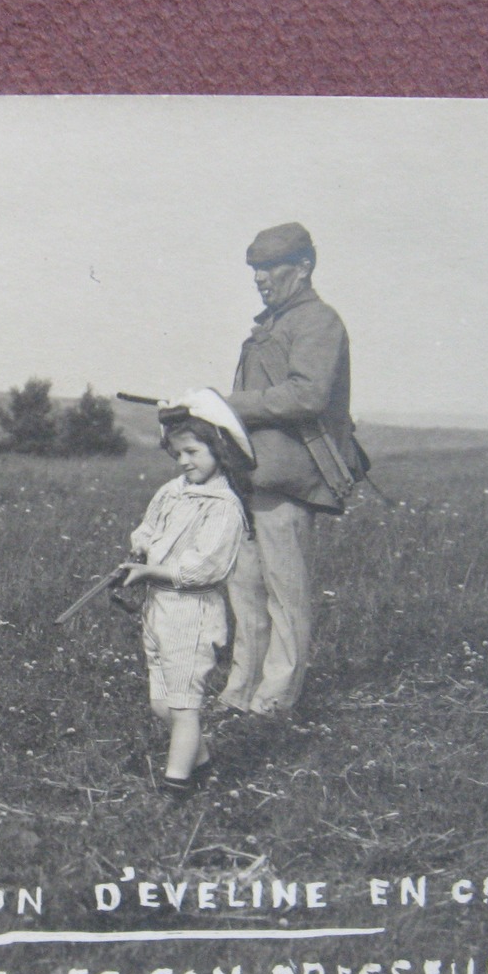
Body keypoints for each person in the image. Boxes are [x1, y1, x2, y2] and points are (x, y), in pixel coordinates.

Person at [219, 222, 360, 720]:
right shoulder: (274, 326)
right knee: (247, 595)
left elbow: (308, 395)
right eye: (256, 268)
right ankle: (240, 693)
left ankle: (275, 700)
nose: (260, 277)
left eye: (271, 267)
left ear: (303, 268)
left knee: (285, 595)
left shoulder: (318, 321)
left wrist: (228, 405)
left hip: (288, 481)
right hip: (253, 480)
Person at [119, 389, 256, 800]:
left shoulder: (224, 507)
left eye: (193, 452)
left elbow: (203, 568)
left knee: (183, 707)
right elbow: (148, 528)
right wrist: (139, 550)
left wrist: (150, 570)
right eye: (177, 454)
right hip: (158, 608)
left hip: (192, 612)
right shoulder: (173, 491)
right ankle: (204, 763)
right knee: (163, 705)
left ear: (219, 448)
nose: (184, 462)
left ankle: (175, 787)